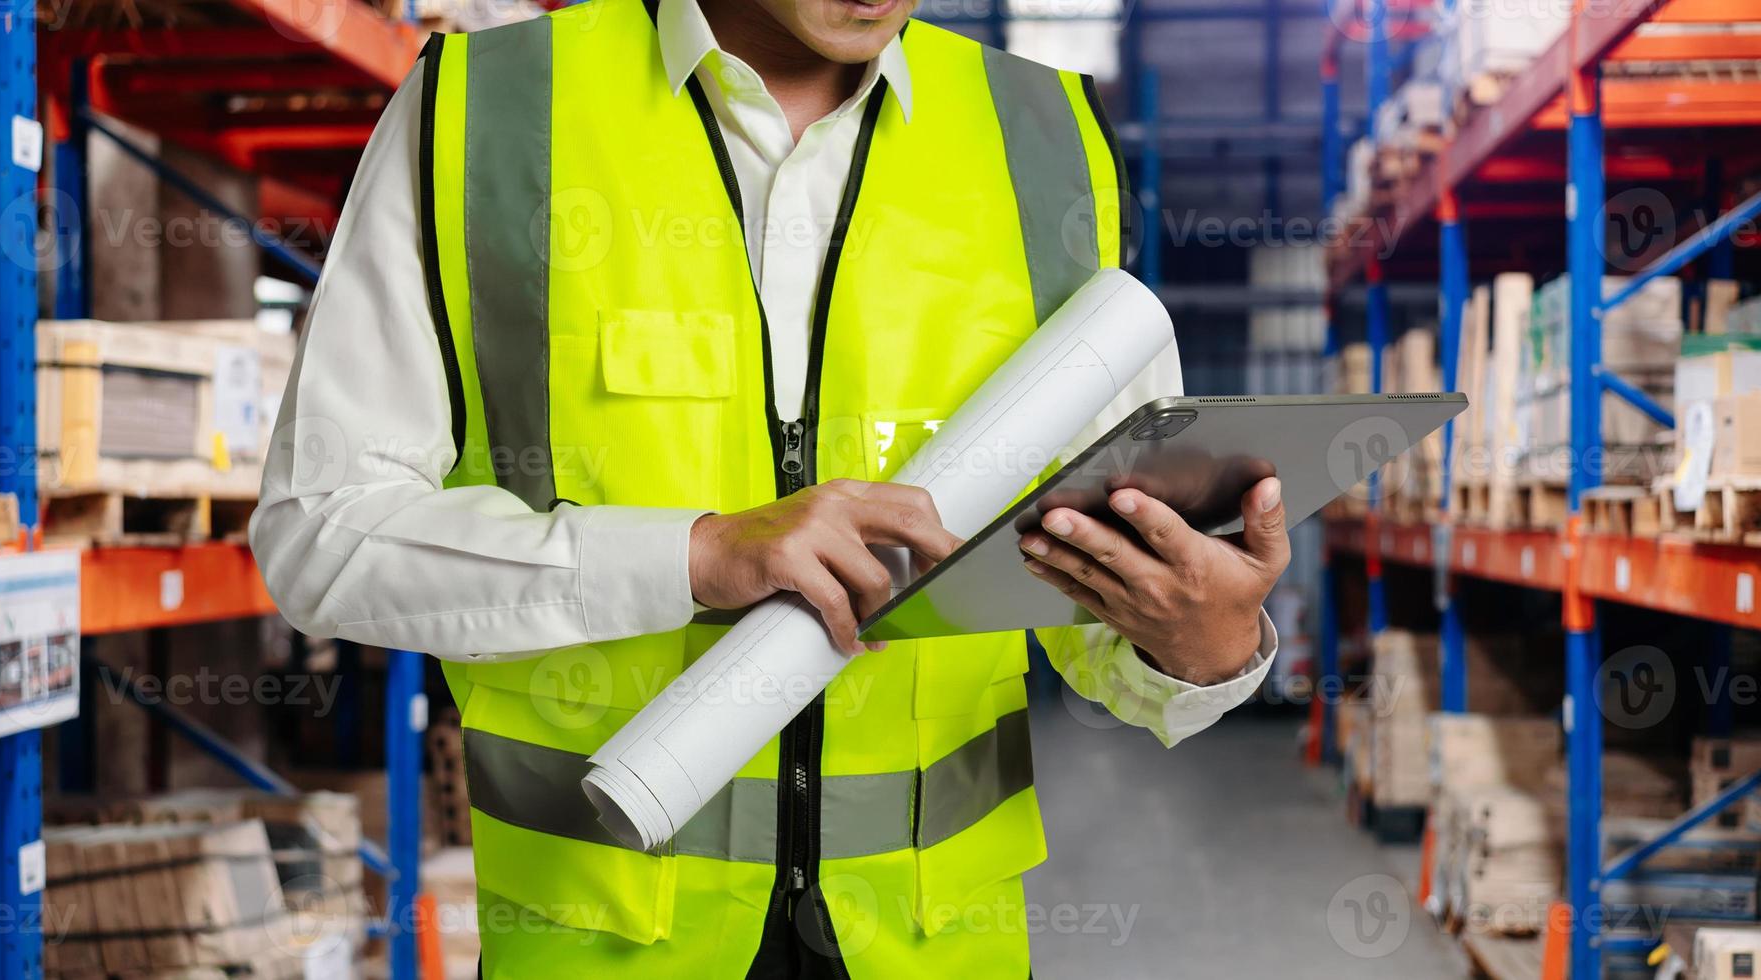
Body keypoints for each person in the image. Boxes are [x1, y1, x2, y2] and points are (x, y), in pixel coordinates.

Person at [249, 0, 1290, 973]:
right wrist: (692, 556)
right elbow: (322, 532)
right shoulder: (489, 115)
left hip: (934, 945)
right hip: (604, 938)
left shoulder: (1043, 143)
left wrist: (1203, 648)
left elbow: (1106, 615)